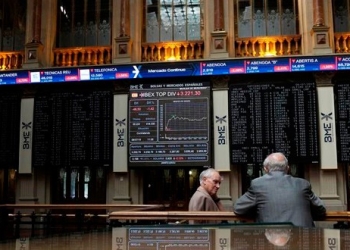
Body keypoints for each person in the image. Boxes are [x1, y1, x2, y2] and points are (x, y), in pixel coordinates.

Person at [233, 152, 326, 227]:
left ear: (265, 169)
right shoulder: (303, 184)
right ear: (288, 168)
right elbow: (321, 209)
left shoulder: (257, 184)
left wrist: (258, 210)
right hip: (303, 240)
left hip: (270, 241)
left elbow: (238, 209)